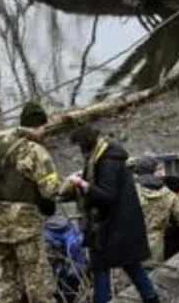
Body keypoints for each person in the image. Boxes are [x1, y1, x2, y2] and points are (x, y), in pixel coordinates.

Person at [65, 126, 161, 303]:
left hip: (112, 225)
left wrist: (82, 184)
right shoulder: (102, 157)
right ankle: (152, 298)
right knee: (130, 266)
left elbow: (107, 195)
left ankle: (147, 298)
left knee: (105, 267)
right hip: (116, 224)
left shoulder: (107, 161)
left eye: (79, 145)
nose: (79, 151)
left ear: (85, 145)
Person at [0, 102, 64, 303]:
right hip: (24, 226)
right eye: (43, 127)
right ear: (39, 126)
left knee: (5, 278)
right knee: (37, 278)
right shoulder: (35, 151)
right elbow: (50, 189)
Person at [133, 157, 179, 267]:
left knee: (132, 278)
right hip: (156, 246)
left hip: (131, 244)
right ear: (154, 171)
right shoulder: (168, 194)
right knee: (151, 277)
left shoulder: (129, 191)